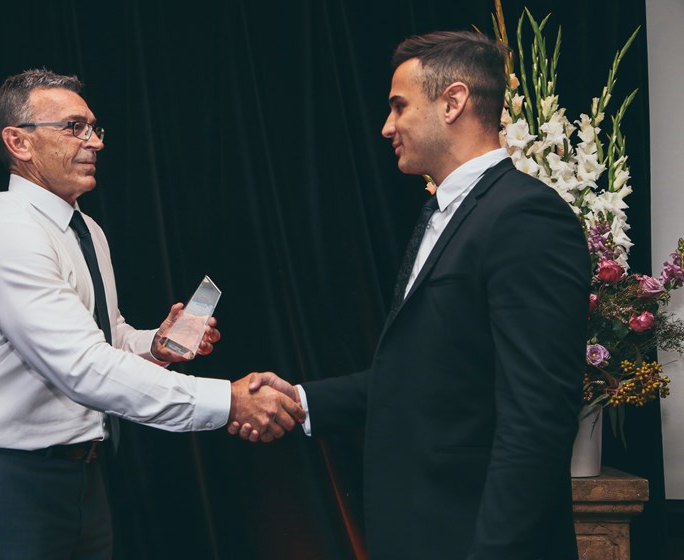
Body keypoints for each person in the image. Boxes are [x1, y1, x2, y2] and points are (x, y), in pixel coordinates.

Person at [233, 31, 590, 559]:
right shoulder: (441, 214)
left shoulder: (524, 216)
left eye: (398, 107)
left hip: (473, 539)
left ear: (453, 102)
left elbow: (537, 418)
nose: (387, 126)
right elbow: (425, 376)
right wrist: (300, 401)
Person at [0, 68, 304, 560]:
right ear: (18, 142)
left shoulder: (86, 229)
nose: (94, 142)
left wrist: (154, 345)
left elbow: (103, 337)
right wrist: (229, 401)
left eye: (95, 128)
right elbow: (81, 366)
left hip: (80, 485)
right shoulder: (8, 231)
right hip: (3, 487)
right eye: (74, 127)